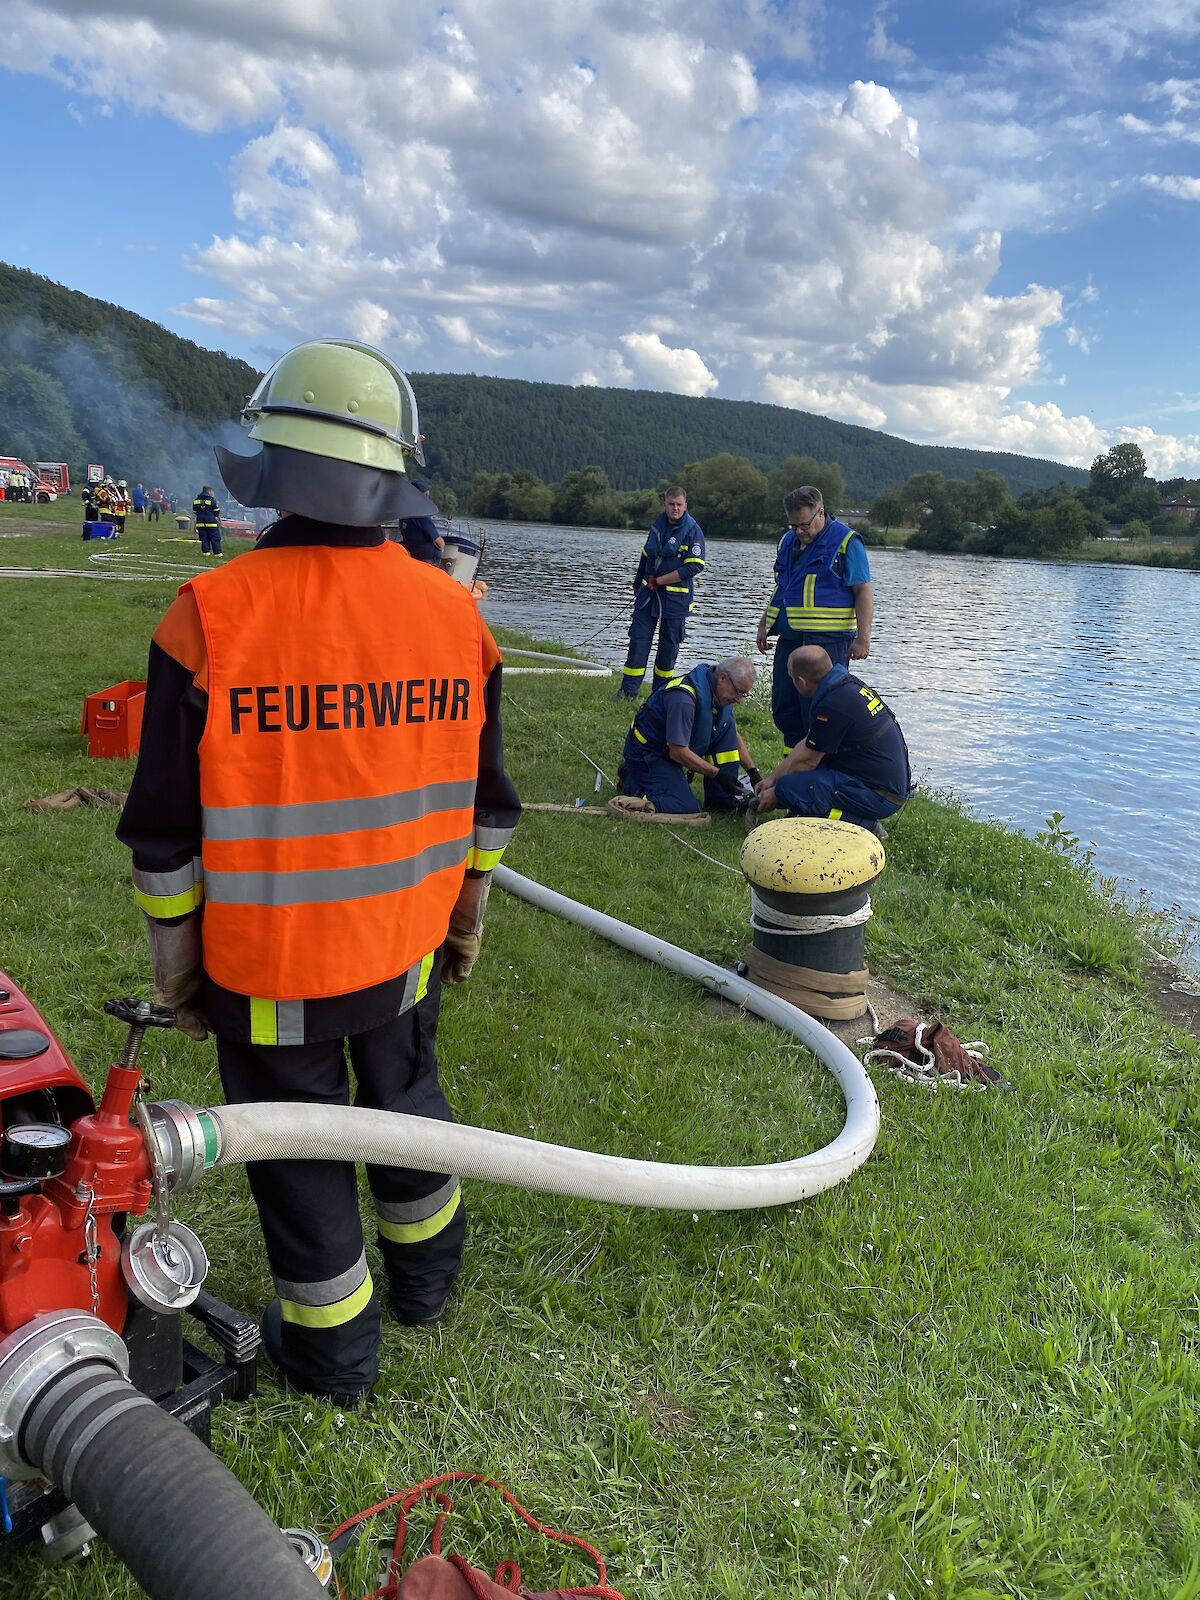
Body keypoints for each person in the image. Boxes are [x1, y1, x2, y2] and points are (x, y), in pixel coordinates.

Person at [117, 338, 521, 1406]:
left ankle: (335, 1356)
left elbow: (164, 841)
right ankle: (427, 1288)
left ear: (272, 472)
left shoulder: (208, 619)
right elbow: (489, 812)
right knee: (404, 1107)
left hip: (271, 973)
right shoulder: (457, 617)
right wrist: (464, 922)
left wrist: (178, 980)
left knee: (299, 1156)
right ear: (391, 478)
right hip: (406, 951)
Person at [756, 486, 873, 749]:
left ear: (820, 513)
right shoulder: (788, 541)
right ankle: (793, 766)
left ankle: (819, 770)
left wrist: (863, 639)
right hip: (790, 639)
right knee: (784, 707)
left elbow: (863, 591)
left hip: (828, 642)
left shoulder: (846, 542)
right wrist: (765, 624)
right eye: (793, 525)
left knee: (821, 709)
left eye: (804, 525)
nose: (799, 531)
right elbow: (782, 586)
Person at [752, 646, 910, 831]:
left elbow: (808, 762)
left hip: (879, 795)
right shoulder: (843, 685)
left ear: (801, 682)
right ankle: (805, 806)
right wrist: (772, 779)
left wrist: (777, 793)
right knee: (792, 785)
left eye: (792, 678)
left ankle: (865, 825)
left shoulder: (833, 705)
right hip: (878, 781)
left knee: (789, 788)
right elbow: (808, 744)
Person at [618, 656, 761, 815]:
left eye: (744, 695)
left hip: (674, 748)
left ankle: (721, 799)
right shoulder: (683, 699)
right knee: (686, 808)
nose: (739, 700)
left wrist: (753, 772)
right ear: (722, 678)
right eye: (739, 692)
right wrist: (717, 774)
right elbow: (677, 752)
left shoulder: (719, 694)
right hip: (650, 754)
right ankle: (631, 780)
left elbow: (730, 731)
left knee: (726, 729)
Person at [615, 487, 706, 699]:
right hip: (648, 596)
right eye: (671, 504)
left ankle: (659, 695)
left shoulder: (693, 531)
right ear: (665, 504)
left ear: (685, 505)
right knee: (638, 641)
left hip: (676, 601)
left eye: (679, 505)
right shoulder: (658, 525)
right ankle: (628, 692)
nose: (675, 508)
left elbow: (693, 567)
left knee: (668, 650)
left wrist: (661, 580)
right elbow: (646, 556)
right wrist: (637, 585)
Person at [397, 476, 445, 563]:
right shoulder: (421, 515)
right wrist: (442, 548)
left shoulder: (404, 513)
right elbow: (439, 543)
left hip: (413, 554)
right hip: (428, 559)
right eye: (426, 495)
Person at [192, 483, 223, 556]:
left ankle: (206, 553)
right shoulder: (212, 500)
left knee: (204, 538)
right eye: (212, 491)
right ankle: (217, 553)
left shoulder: (196, 500)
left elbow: (194, 511)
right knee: (215, 538)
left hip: (200, 523)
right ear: (209, 491)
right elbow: (216, 511)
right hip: (211, 523)